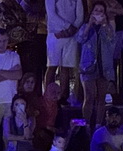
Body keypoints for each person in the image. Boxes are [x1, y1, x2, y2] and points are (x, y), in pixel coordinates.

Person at [76, 1, 115, 129]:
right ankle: (85, 125)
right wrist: (89, 25)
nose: (98, 13)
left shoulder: (107, 27)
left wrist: (104, 25)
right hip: (88, 66)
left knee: (101, 97)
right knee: (89, 96)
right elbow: (80, 39)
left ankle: (98, 125)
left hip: (104, 67)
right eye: (96, 10)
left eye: (101, 11)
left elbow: (112, 40)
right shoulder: (85, 26)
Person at [44, 0, 83, 103]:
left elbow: (80, 15)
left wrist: (73, 28)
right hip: (55, 33)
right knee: (52, 66)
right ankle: (48, 96)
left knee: (66, 67)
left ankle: (63, 96)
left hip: (71, 35)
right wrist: (68, 27)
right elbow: (51, 14)